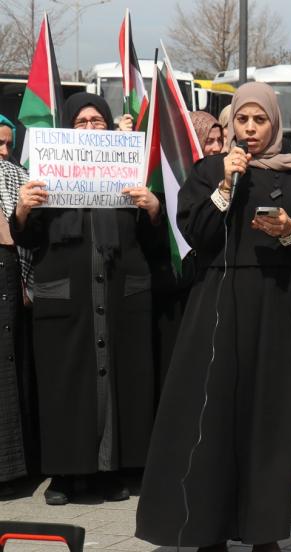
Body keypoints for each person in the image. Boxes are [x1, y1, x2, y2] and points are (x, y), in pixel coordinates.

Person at [135, 82, 291, 551]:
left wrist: (290, 230)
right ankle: (209, 532)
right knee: (213, 418)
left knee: (269, 420)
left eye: (259, 120)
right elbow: (196, 234)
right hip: (217, 305)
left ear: (274, 123)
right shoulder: (208, 170)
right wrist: (225, 186)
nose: (250, 129)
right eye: (242, 120)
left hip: (276, 306)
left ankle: (263, 532)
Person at [10, 93, 161, 505]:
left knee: (118, 382)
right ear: (67, 128)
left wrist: (152, 209)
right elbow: (28, 236)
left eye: (98, 121)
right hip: (65, 298)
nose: (91, 128)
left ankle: (111, 471)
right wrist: (22, 210)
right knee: (65, 383)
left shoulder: (129, 174)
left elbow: (153, 243)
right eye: (81, 122)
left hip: (120, 294)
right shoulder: (47, 174)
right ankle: (64, 473)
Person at [0, 160, 32, 498]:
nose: (4, 152)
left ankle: (12, 469)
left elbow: (14, 237)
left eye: (9, 144)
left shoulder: (11, 176)